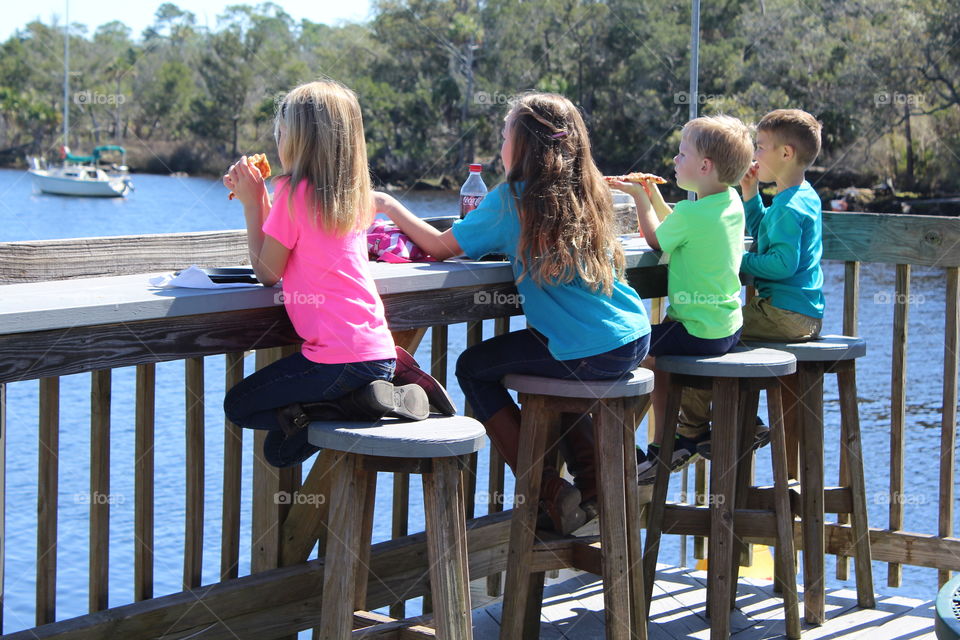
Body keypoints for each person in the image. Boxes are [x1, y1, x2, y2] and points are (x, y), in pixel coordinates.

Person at [373, 93, 651, 533]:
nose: (500, 144)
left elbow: (441, 246)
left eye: (504, 135)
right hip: (632, 337)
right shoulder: (590, 188)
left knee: (473, 366)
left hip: (589, 348)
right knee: (560, 370)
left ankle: (549, 492)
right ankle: (596, 487)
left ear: (523, 146)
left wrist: (389, 206)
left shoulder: (512, 200)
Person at [221, 80, 429, 468]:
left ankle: (349, 404)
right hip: (379, 356)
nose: (278, 139)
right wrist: (266, 200)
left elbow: (267, 272)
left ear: (298, 140)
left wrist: (254, 204)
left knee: (239, 407)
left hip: (335, 360)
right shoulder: (347, 199)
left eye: (282, 132)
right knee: (279, 450)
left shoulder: (290, 192)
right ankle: (360, 402)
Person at [609, 115, 754, 480]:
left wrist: (639, 198)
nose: (675, 161)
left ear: (705, 166)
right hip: (727, 326)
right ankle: (677, 437)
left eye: (681, 154)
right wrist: (655, 194)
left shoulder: (692, 212)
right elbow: (677, 227)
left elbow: (657, 239)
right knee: (658, 350)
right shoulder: (730, 202)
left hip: (696, 330)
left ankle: (658, 447)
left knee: (638, 351)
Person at [684, 108, 825, 461]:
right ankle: (745, 423)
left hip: (782, 314)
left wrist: (734, 258)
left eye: (760, 147)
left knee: (709, 332)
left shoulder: (789, 207)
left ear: (786, 153)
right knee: (718, 333)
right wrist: (750, 195)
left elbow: (780, 264)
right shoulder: (801, 197)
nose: (754, 155)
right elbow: (766, 233)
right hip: (801, 314)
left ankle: (692, 428)